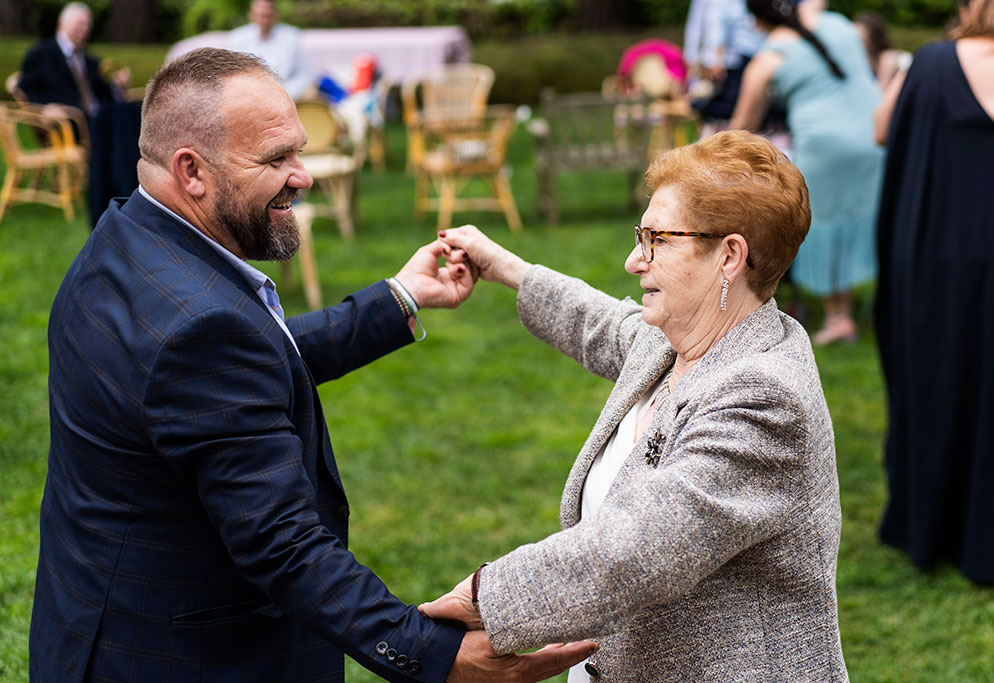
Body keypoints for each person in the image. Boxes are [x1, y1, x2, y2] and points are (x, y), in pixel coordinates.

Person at [29, 48, 593, 682]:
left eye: (297, 150)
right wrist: (438, 658)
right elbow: (285, 546)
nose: (304, 175)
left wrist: (396, 302)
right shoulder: (199, 330)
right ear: (192, 171)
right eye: (276, 160)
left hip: (91, 624)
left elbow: (232, 372)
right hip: (183, 660)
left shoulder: (124, 240)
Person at [423, 131, 848, 681]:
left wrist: (486, 598)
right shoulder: (676, 338)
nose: (632, 260)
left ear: (729, 255)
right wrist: (503, 265)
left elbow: (640, 549)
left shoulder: (765, 396)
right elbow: (600, 322)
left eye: (656, 240)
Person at [874, 0, 994, 584]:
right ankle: (990, 535)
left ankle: (927, 526)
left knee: (932, 378)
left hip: (919, 252)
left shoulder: (931, 61)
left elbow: (881, 126)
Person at [730, 0, 884, 345]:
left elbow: (740, 130)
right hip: (877, 135)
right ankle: (888, 306)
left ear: (757, 22)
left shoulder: (768, 58)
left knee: (827, 225)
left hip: (825, 146)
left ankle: (839, 317)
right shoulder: (839, 24)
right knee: (878, 218)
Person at [18, 1, 140, 227]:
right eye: (78, 24)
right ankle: (125, 187)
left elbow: (103, 95)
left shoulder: (91, 61)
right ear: (61, 24)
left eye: (87, 25)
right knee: (117, 123)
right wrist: (45, 107)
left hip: (97, 118)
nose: (83, 29)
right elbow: (25, 87)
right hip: (68, 123)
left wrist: (117, 86)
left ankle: (130, 185)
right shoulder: (42, 54)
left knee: (130, 110)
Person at [228, 0, 315, 99]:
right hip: (247, 98)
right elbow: (232, 74)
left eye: (268, 16)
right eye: (261, 16)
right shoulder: (237, 38)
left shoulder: (292, 37)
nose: (264, 20)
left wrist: (285, 93)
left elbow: (304, 74)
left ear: (276, 14)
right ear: (252, 14)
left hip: (285, 97)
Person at [854, 11, 912, 89]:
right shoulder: (861, 61)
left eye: (859, 33)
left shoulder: (888, 59)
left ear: (873, 37)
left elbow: (880, 95)